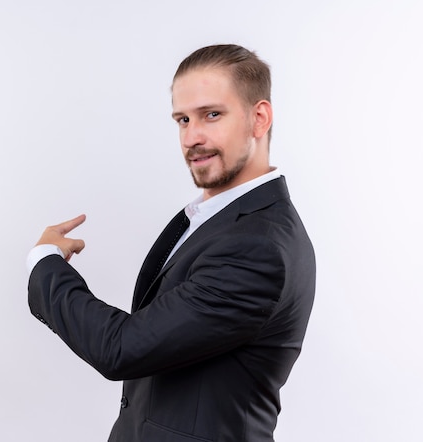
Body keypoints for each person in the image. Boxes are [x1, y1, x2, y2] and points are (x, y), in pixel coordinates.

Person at [26, 44, 316, 442]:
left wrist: (45, 263)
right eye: (182, 119)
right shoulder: (216, 221)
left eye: (212, 115)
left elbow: (122, 348)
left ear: (258, 118)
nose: (192, 137)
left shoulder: (257, 247)